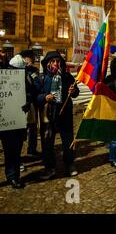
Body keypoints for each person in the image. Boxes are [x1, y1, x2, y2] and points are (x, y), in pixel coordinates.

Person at [36, 51, 79, 179]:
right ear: (48, 63)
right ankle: (50, 168)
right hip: (48, 115)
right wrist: (44, 97)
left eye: (58, 61)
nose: (56, 64)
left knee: (68, 141)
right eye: (53, 61)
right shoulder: (41, 78)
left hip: (64, 113)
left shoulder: (67, 77)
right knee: (47, 143)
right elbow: (35, 96)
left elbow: (75, 93)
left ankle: (70, 164)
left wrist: (73, 90)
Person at [0, 55, 27, 188]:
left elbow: (32, 93)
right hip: (5, 119)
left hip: (18, 121)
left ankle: (13, 176)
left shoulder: (26, 79)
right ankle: (11, 175)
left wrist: (28, 102)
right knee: (8, 150)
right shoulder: (3, 77)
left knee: (15, 150)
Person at [19, 50, 41, 158]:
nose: (30, 59)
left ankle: (32, 149)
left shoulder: (33, 70)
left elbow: (37, 84)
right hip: (19, 103)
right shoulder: (16, 69)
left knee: (32, 127)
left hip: (32, 102)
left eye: (31, 57)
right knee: (20, 129)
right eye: (28, 57)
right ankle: (19, 155)